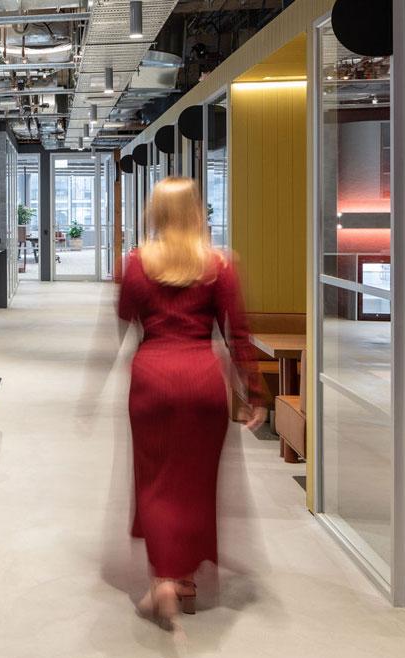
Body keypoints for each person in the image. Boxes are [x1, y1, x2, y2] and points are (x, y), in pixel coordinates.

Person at [116, 176, 267, 633]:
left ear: (155, 214)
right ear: (198, 211)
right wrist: (254, 394)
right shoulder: (220, 264)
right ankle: (184, 581)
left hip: (152, 378)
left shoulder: (137, 263)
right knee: (195, 483)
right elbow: (238, 335)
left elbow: (125, 319)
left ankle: (162, 577)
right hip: (202, 380)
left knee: (156, 481)